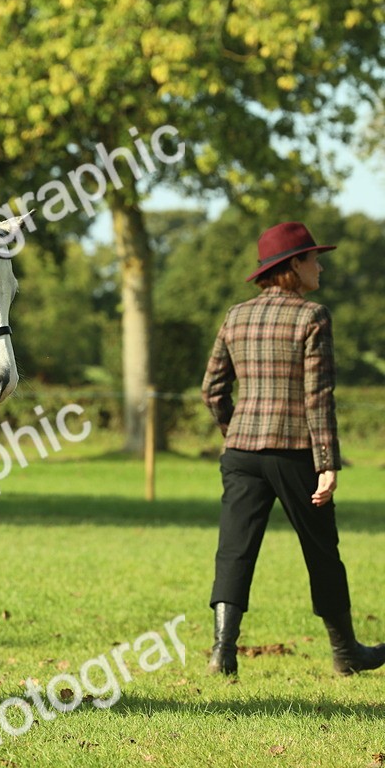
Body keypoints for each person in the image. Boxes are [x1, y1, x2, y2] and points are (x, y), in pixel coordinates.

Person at [201, 221, 385, 677]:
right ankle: (346, 653)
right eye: (313, 259)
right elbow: (317, 397)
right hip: (294, 453)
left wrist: (235, 431)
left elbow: (211, 389)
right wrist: (327, 464)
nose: (319, 267)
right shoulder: (312, 316)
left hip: (241, 452)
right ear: (293, 267)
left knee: (234, 550)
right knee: (321, 550)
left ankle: (223, 652)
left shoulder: (235, 316)